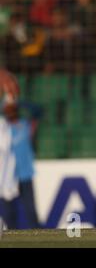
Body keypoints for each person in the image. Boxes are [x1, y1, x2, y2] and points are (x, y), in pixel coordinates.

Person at [0, 98, 41, 229]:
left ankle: (36, 239)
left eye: (12, 109)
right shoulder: (3, 129)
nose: (10, 113)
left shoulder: (25, 125)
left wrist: (19, 102)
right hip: (8, 178)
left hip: (24, 174)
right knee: (9, 213)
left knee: (30, 211)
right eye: (8, 110)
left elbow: (38, 111)